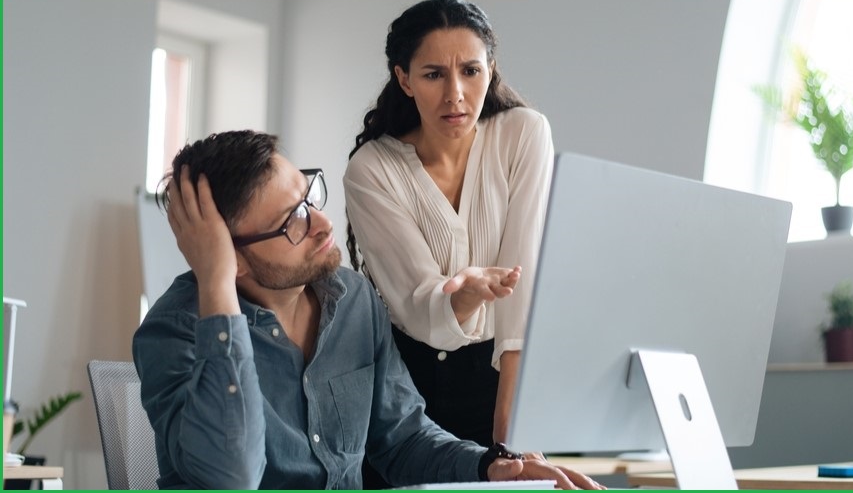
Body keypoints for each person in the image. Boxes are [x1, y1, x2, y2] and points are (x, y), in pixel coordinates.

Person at [132, 130, 601, 490]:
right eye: (291, 220)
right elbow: (231, 477)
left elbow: (402, 438)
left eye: (308, 195)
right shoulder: (174, 333)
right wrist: (216, 284)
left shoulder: (351, 297)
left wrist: (494, 467)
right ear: (228, 255)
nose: (322, 223)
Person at [344, 0, 552, 454]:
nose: (455, 94)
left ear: (491, 69)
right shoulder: (373, 169)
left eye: (470, 71)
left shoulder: (523, 134)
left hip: (506, 376)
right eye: (434, 74)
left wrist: (508, 428)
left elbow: (526, 282)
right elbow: (418, 306)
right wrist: (466, 296)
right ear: (405, 79)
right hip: (409, 391)